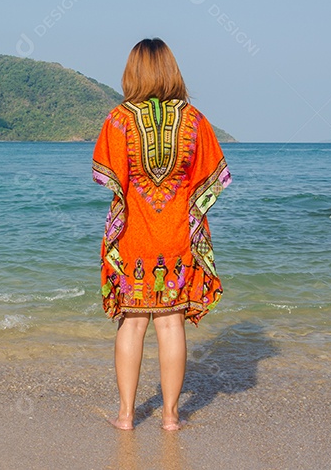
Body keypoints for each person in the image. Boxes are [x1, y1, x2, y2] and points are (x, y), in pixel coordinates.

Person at [92, 38, 231, 431]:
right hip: (177, 236)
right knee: (171, 324)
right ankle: (171, 417)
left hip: (134, 235)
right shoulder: (195, 120)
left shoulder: (118, 119)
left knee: (132, 323)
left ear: (132, 72)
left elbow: (110, 179)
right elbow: (211, 181)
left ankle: (125, 416)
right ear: (172, 70)